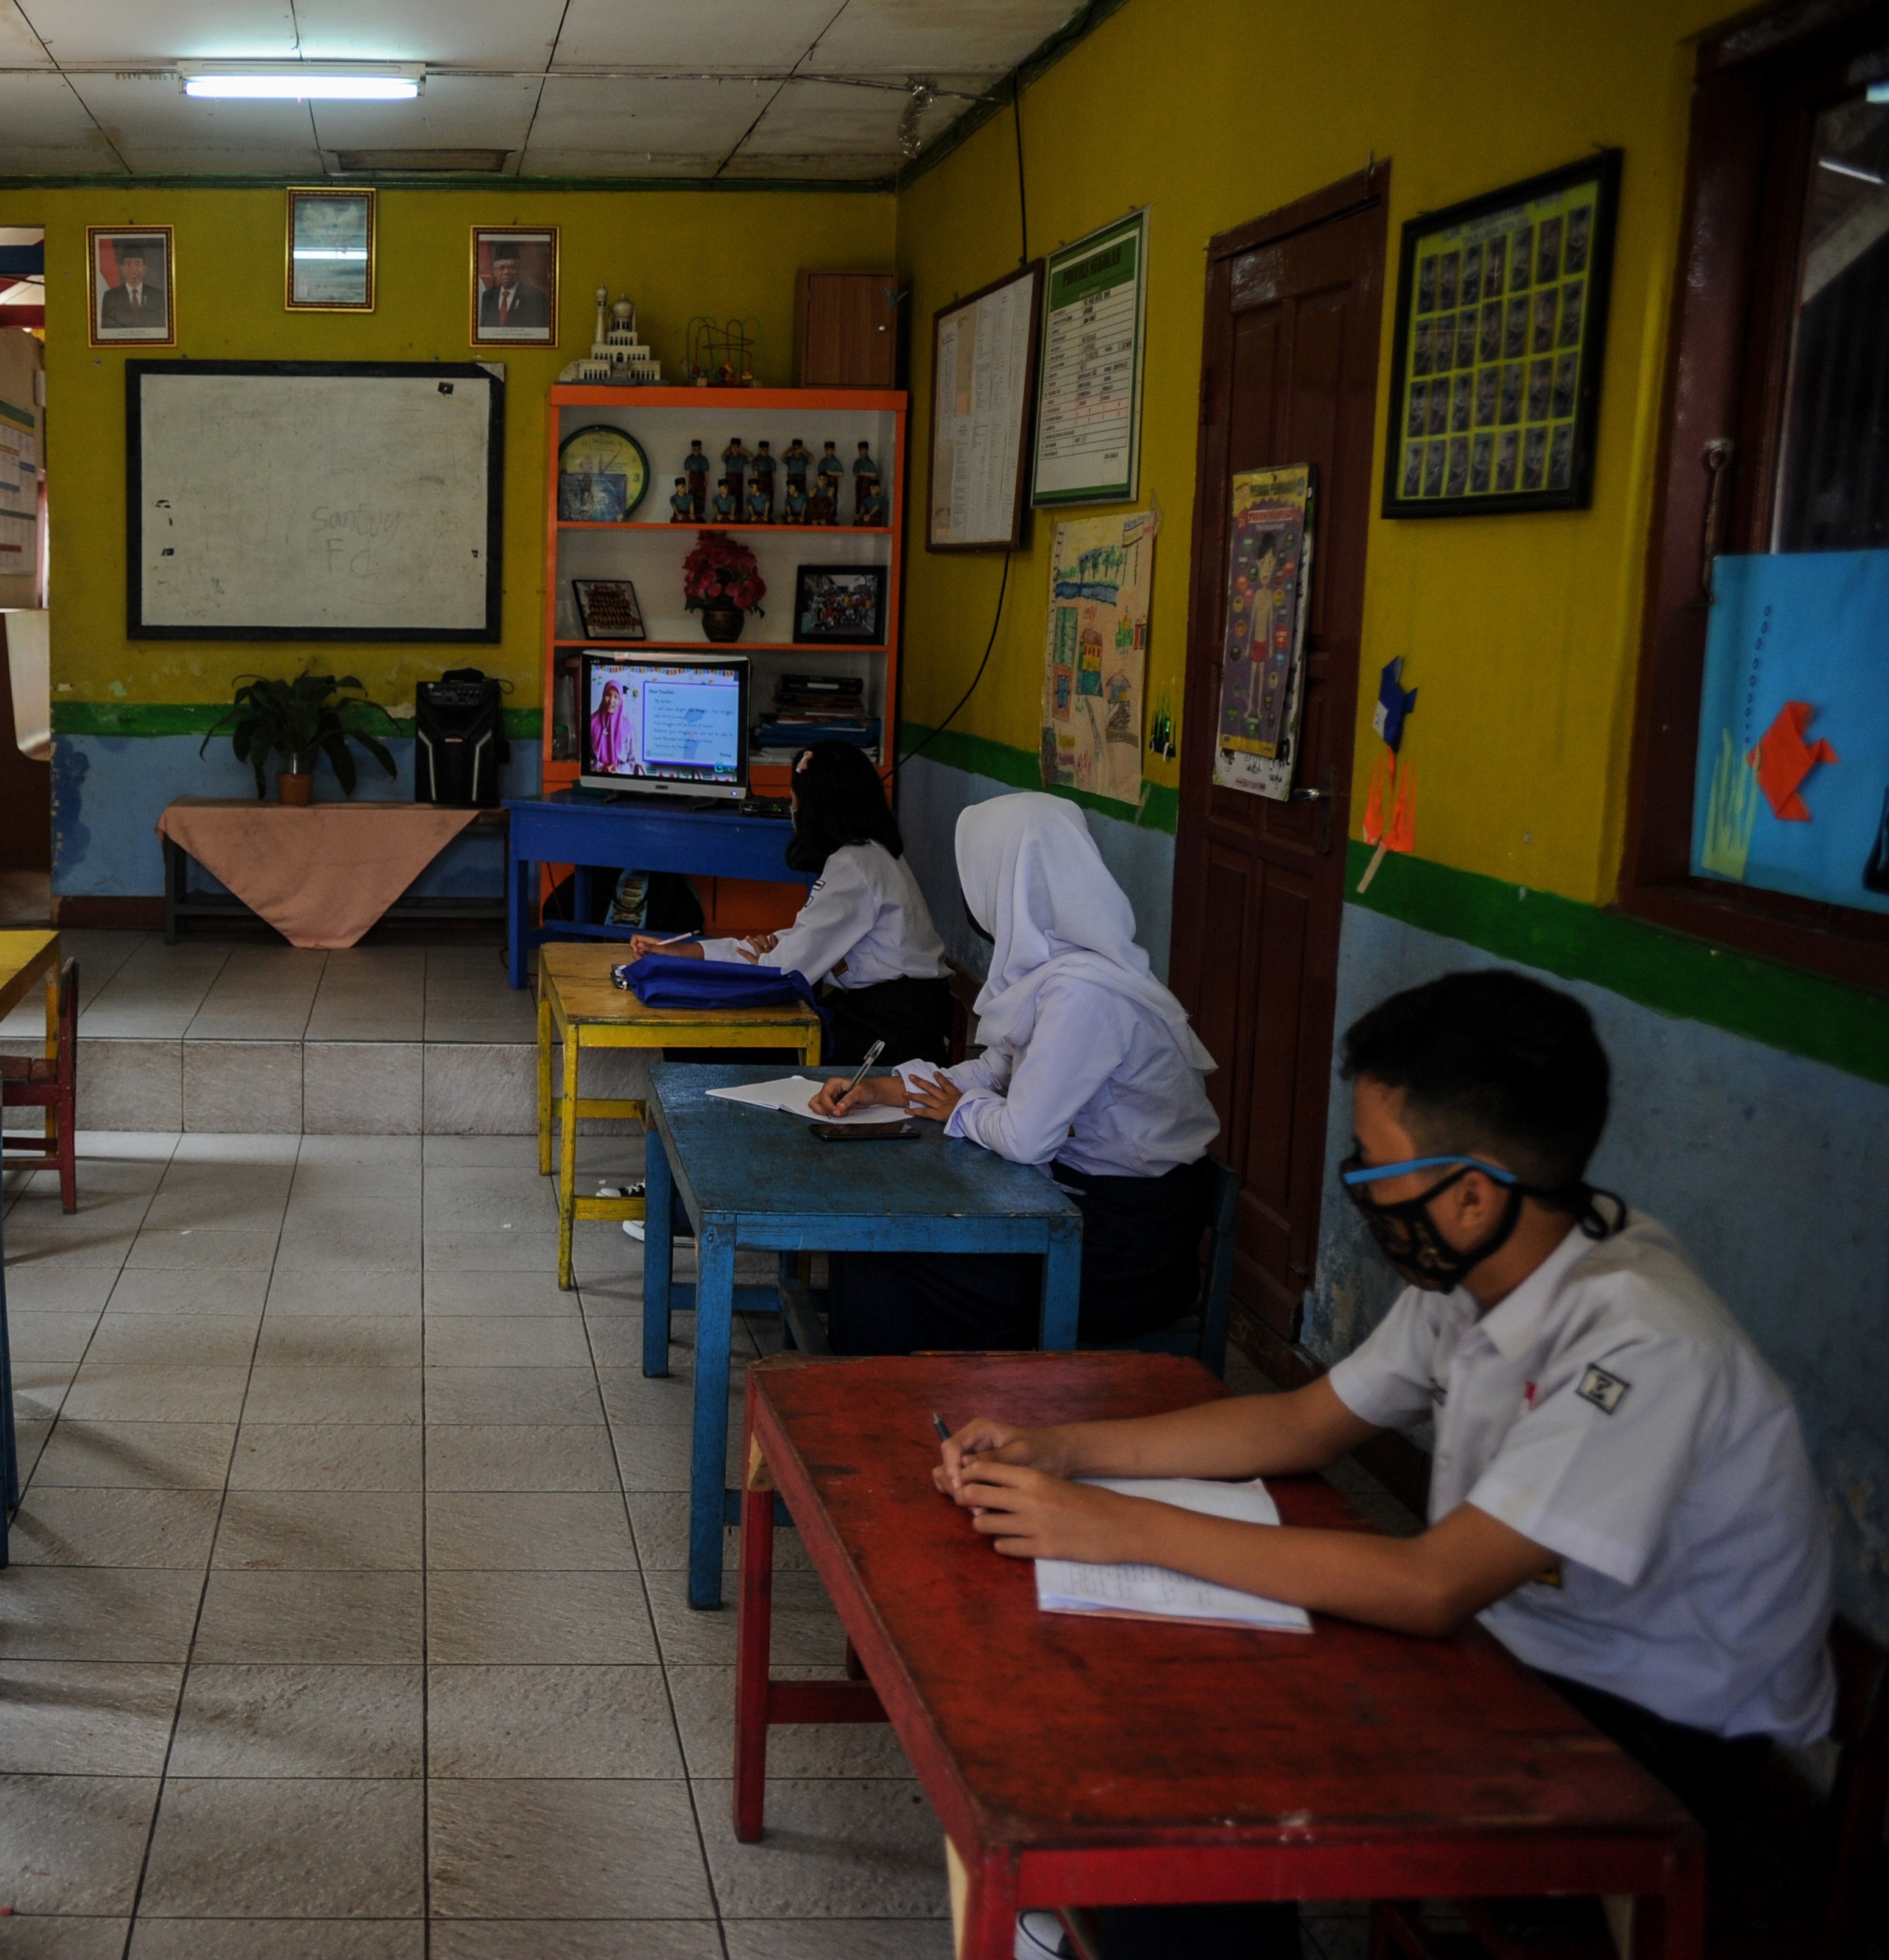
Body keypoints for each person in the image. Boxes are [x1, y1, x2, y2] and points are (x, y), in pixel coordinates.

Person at [938, 969, 1835, 1960]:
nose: (1358, 1182)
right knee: (1178, 1715)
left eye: (1375, 1163)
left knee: (1209, 1776)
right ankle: (1153, 1918)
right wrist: (1065, 1448)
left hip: (1659, 1727)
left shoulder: (1643, 1343)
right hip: (1526, 1649)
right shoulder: (1487, 1262)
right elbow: (1304, 1423)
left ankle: (1158, 1915)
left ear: (1472, 1191)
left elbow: (1432, 1584)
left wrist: (1113, 1524)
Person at [807, 792, 1217, 1353]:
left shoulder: (1085, 996)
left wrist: (957, 1110)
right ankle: (887, 1404)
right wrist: (883, 1089)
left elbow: (1025, 1137)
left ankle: (887, 1420)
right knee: (878, 1249)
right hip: (1076, 1212)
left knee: (885, 1259)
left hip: (1121, 1252)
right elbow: (996, 1070)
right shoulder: (1056, 972)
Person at [630, 740, 953, 1067]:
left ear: (815, 808)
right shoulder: (872, 855)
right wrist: (686, 953)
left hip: (888, 1034)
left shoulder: (855, 866)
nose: (793, 812)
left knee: (706, 1040)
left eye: (794, 802)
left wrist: (767, 959)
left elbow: (783, 969)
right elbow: (793, 946)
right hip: (882, 1015)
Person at [99, 241, 166, 333]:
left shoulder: (157, 295)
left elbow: (161, 328)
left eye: (138, 264)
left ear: (144, 269)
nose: (133, 270)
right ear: (122, 268)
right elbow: (106, 331)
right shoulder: (110, 297)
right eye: (128, 264)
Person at [478, 247, 539, 332]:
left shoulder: (535, 297)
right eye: (502, 268)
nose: (506, 272)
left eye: (512, 268)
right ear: (495, 272)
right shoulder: (487, 296)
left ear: (519, 270)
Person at [587, 680, 636, 774]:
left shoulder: (627, 727)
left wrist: (618, 770)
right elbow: (585, 760)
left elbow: (632, 763)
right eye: (608, 695)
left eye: (616, 697)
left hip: (622, 781)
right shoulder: (592, 722)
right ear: (603, 696)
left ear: (621, 700)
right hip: (596, 780)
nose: (611, 701)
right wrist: (602, 768)